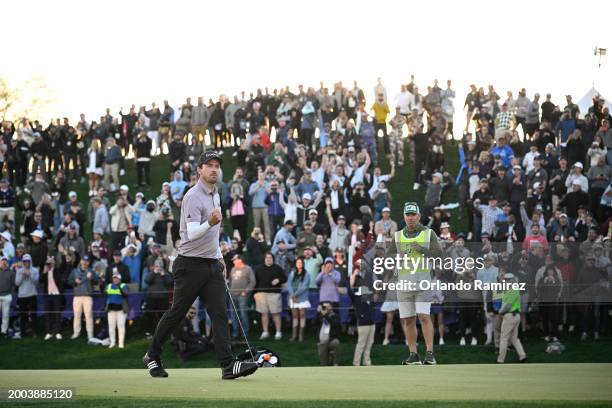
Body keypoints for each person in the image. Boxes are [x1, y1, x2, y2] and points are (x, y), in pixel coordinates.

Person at [144, 151, 259, 380]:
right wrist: (210, 222)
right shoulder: (193, 196)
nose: (214, 169)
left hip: (210, 263)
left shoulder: (215, 194)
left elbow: (213, 235)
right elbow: (192, 233)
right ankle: (152, 354)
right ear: (199, 170)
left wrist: (219, 257)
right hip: (189, 265)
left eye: (217, 165)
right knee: (177, 313)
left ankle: (228, 365)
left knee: (219, 312)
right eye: (209, 165)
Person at [386, 202, 443, 365]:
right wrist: (397, 258)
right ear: (404, 216)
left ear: (418, 216)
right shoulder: (397, 236)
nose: (410, 218)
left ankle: (430, 354)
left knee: (424, 317)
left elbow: (440, 255)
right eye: (408, 215)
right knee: (408, 320)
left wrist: (421, 249)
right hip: (404, 284)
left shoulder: (429, 233)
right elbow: (388, 258)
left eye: (413, 214)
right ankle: (413, 355)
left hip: (423, 282)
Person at [254, 252, 287, 340]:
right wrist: (255, 293)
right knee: (264, 314)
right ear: (264, 259)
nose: (269, 259)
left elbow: (285, 278)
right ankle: (265, 332)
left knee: (275, 314)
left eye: (270, 258)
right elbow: (255, 281)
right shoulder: (258, 269)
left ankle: (278, 332)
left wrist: (278, 279)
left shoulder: (278, 268)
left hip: (274, 294)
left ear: (273, 259)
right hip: (261, 294)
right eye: (267, 257)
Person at [497, 273, 527, 364]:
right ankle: (522, 356)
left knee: (504, 338)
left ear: (511, 280)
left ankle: (500, 359)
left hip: (510, 316)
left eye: (507, 279)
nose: (505, 281)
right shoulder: (512, 289)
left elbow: (508, 305)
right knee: (514, 338)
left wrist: (500, 312)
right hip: (515, 316)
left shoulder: (512, 289)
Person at [349, 267, 376, 366]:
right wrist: (354, 275)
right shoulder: (357, 298)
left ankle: (367, 362)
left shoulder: (371, 298)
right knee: (361, 344)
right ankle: (356, 363)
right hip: (363, 323)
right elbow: (350, 289)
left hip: (372, 323)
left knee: (369, 344)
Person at [68, 255, 98, 340]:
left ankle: (90, 334)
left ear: (88, 263)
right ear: (81, 261)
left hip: (87, 296)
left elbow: (97, 281)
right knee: (77, 315)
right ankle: (76, 333)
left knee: (88, 316)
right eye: (83, 261)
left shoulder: (91, 271)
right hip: (77, 296)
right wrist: (75, 282)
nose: (85, 263)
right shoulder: (75, 271)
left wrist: (91, 278)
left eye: (86, 261)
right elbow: (69, 281)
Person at [228, 255, 255, 339]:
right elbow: (230, 281)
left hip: (242, 296)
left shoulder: (248, 269)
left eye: (235, 260)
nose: (233, 261)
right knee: (233, 315)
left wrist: (246, 292)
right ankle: (235, 333)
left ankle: (245, 333)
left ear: (240, 260)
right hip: (232, 295)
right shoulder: (233, 269)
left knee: (243, 314)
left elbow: (252, 282)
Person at [287, 257, 310, 342]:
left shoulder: (306, 274)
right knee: (295, 316)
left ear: (303, 264)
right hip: (293, 297)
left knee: (302, 315)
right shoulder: (292, 273)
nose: (299, 264)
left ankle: (301, 335)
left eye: (301, 263)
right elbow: (289, 284)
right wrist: (292, 294)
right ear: (296, 264)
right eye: (298, 263)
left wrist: (295, 294)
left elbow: (304, 286)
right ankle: (294, 335)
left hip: (302, 297)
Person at [15, 254, 39, 337]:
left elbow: (36, 282)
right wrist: (22, 274)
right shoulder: (19, 271)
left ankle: (34, 332)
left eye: (28, 261)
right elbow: (17, 283)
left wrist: (29, 274)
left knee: (33, 314)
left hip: (32, 294)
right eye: (25, 261)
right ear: (23, 262)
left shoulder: (35, 270)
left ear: (30, 261)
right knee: (22, 315)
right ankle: (23, 332)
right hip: (22, 296)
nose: (26, 263)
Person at [105, 273, 129, 348]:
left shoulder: (123, 285)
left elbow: (125, 295)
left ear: (120, 279)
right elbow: (104, 293)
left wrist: (120, 289)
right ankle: (112, 343)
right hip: (111, 309)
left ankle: (121, 343)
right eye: (114, 278)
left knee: (121, 326)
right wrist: (101, 285)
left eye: (117, 278)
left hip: (121, 310)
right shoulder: (109, 286)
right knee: (111, 326)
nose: (115, 279)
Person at [315, 301, 341, 366]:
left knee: (336, 343)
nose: (326, 308)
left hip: (331, 339)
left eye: (327, 306)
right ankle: (329, 357)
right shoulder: (320, 315)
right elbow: (313, 324)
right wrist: (318, 313)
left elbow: (334, 324)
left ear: (331, 307)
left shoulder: (335, 316)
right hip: (322, 341)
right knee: (324, 364)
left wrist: (325, 315)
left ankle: (336, 363)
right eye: (324, 307)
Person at [0, 256, 14, 336]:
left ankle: (3, 331)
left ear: (7, 263)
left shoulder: (11, 271)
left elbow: (13, 284)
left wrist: (11, 293)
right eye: (2, 261)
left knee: (5, 315)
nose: (4, 262)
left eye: (5, 261)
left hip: (7, 295)